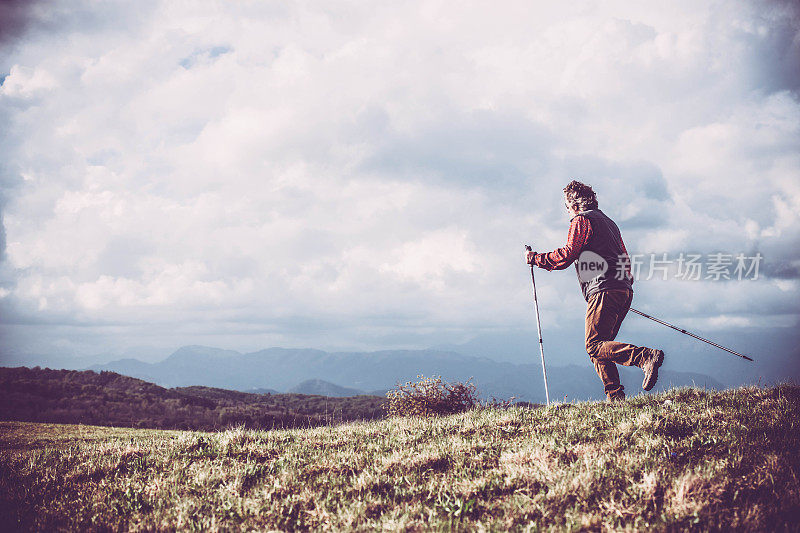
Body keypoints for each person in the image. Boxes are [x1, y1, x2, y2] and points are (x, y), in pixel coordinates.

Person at [525, 180, 664, 401]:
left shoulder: (582, 220)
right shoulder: (610, 223)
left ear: (574, 204)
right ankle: (615, 398)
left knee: (594, 345)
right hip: (622, 289)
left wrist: (536, 259)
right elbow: (625, 260)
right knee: (602, 347)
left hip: (603, 289)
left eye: (566, 205)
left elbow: (568, 254)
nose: (567, 211)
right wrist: (621, 288)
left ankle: (645, 357)